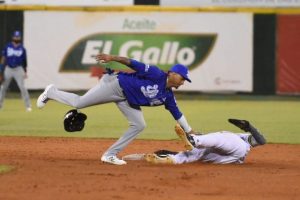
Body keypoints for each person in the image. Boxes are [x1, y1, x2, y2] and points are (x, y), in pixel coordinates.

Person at [36, 53, 197, 165]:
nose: (183, 82)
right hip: (116, 85)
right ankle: (51, 92)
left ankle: (110, 155)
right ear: (173, 73)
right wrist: (112, 58)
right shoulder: (156, 73)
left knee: (139, 124)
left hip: (127, 100)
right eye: (183, 78)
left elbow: (177, 113)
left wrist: (189, 130)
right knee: (79, 103)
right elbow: (131, 63)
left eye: (185, 80)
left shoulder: (167, 96)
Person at [144, 119, 266, 164]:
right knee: (196, 153)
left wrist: (248, 127)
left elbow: (261, 140)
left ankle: (194, 140)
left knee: (219, 138)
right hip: (223, 159)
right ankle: (169, 159)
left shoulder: (244, 140)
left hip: (238, 149)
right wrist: (170, 152)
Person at [0, 31, 31, 111]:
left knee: (22, 87)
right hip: (8, 68)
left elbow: (24, 61)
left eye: (18, 37)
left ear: (20, 38)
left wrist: (25, 71)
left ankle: (28, 106)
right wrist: (1, 70)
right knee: (3, 87)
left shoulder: (22, 48)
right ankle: (0, 105)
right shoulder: (8, 46)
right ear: (13, 37)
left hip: (18, 68)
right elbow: (3, 58)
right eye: (15, 37)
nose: (16, 38)